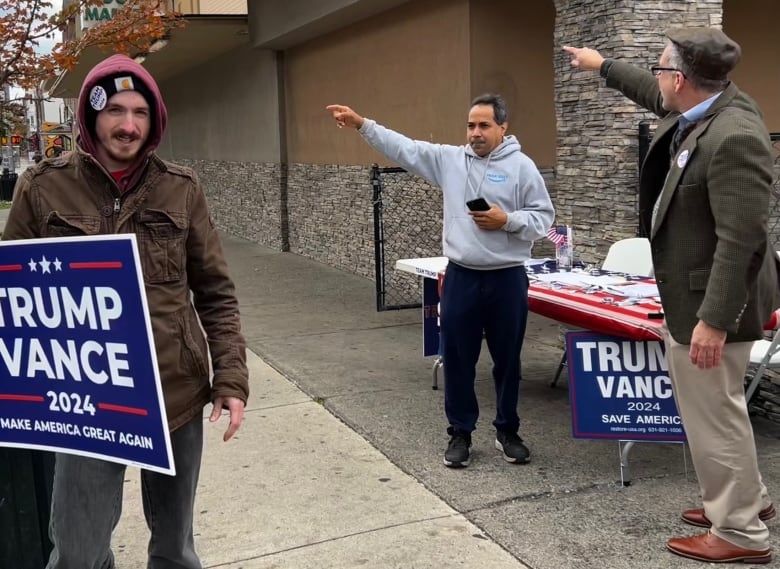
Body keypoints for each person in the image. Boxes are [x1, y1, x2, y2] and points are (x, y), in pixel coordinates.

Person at [3, 54, 250, 568]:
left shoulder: (181, 188)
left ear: (155, 119)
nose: (128, 124)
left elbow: (216, 292)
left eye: (140, 111)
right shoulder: (43, 185)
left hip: (173, 391)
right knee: (76, 551)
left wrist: (230, 377)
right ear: (91, 116)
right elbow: (16, 295)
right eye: (115, 109)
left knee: (175, 548)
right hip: (85, 400)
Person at [564, 27, 778, 564]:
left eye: (661, 68)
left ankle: (740, 533)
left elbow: (741, 239)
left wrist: (713, 320)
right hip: (703, 298)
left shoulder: (733, 136)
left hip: (713, 306)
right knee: (716, 411)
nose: (655, 76)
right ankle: (744, 502)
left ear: (680, 79)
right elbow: (650, 89)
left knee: (714, 416)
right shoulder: (710, 103)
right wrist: (602, 65)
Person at [326, 95, 554, 468]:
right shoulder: (451, 160)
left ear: (503, 128)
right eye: (470, 125)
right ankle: (460, 433)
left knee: (508, 361)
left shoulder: (523, 168)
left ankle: (507, 431)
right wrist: (362, 124)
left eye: (484, 125)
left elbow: (543, 219)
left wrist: (507, 221)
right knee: (458, 358)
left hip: (506, 279)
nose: (475, 133)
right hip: (462, 276)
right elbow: (405, 148)